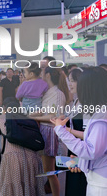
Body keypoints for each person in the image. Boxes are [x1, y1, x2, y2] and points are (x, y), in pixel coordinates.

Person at [51, 67, 107, 195]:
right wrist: (81, 161)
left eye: (76, 82)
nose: (70, 84)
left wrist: (61, 130)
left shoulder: (100, 116)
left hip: (101, 183)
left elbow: (90, 151)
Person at [0, 99, 45, 196]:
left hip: (12, 158)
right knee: (29, 186)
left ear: (5, 109)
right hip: (32, 158)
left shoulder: (0, 118)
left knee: (13, 186)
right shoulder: (28, 119)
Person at [30, 67, 68, 196]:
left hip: (50, 131)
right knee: (47, 169)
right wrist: (30, 115)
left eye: (42, 73)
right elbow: (44, 111)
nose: (40, 76)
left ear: (48, 75)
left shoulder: (57, 93)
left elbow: (54, 116)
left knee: (49, 170)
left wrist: (34, 117)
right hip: (43, 130)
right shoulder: (49, 91)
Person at [63, 68, 87, 196]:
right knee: (73, 182)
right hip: (73, 147)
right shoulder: (76, 100)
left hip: (83, 149)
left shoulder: (87, 103)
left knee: (80, 184)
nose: (69, 84)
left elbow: (89, 134)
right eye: (69, 81)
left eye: (73, 81)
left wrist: (67, 130)